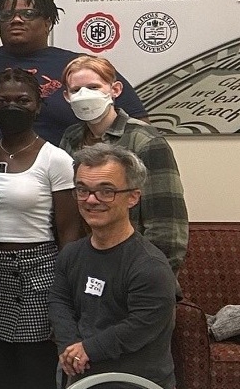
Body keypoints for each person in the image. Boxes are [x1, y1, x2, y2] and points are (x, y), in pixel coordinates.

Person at [0, 67, 83, 388]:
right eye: (2, 101)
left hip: (38, 278)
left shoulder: (56, 159)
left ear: (38, 106)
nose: (12, 107)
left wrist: (65, 292)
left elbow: (69, 232)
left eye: (22, 100)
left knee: (36, 376)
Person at [0, 0, 145, 148]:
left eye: (28, 14)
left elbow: (138, 127)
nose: (16, 20)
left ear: (48, 22)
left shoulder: (81, 68)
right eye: (6, 15)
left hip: (63, 177)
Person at [50, 144, 178, 387]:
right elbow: (59, 302)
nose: (91, 200)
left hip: (134, 381)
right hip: (80, 377)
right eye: (82, 190)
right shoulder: (71, 254)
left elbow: (141, 325)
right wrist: (70, 346)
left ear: (133, 197)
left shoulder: (150, 266)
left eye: (106, 191)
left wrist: (88, 349)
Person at [56, 55, 187, 272]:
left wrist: (152, 274)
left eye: (93, 87)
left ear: (115, 90)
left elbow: (167, 226)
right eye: (76, 90)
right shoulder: (70, 139)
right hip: (87, 264)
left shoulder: (144, 140)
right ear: (67, 97)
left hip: (133, 267)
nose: (84, 95)